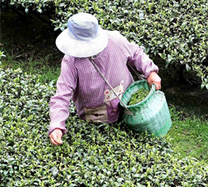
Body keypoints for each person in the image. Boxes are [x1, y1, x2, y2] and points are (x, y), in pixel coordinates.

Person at [48, 13, 161, 146]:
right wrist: (57, 125)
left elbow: (136, 53)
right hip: (95, 115)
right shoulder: (71, 62)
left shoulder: (114, 40)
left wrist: (150, 71)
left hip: (126, 99)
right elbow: (62, 95)